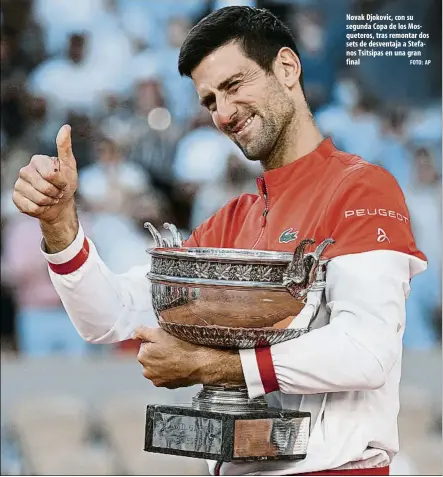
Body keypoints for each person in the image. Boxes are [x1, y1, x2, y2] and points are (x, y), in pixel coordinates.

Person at [12, 6, 427, 477]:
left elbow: (365, 352)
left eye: (234, 86)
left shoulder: (360, 188)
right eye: (210, 101)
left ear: (287, 68)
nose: (224, 113)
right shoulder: (232, 222)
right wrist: (59, 224)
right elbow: (109, 317)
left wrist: (210, 365)